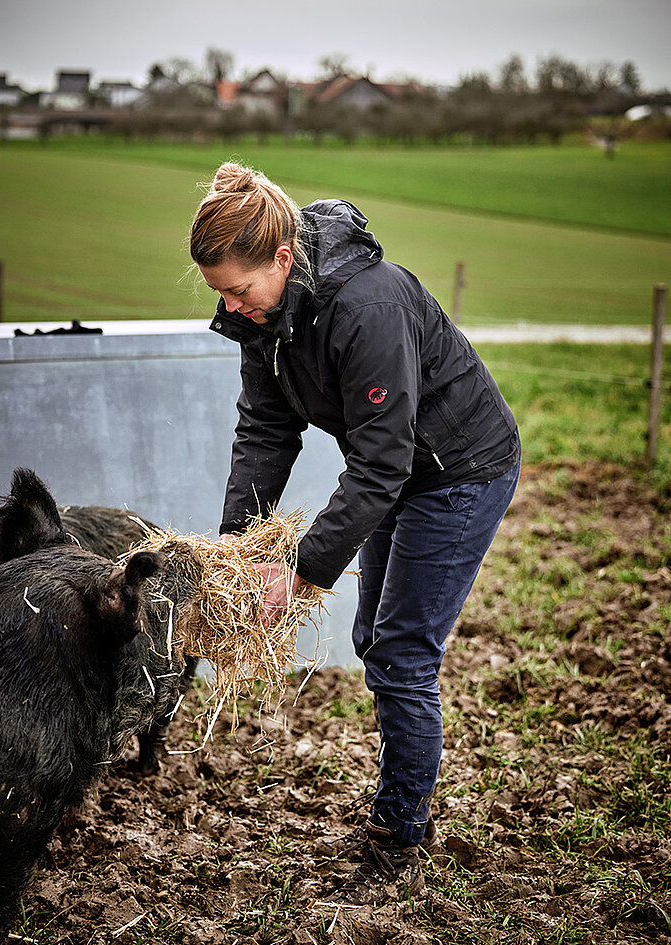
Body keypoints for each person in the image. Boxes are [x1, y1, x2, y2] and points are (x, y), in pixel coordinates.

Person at [189, 162, 521, 906]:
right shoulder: (267, 317)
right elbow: (266, 429)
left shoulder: (365, 305)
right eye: (220, 295)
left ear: (281, 259)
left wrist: (300, 572)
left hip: (460, 469)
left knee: (401, 653)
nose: (232, 307)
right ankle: (398, 812)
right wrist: (235, 553)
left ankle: (399, 831)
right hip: (400, 470)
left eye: (238, 290)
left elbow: (380, 464)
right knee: (375, 638)